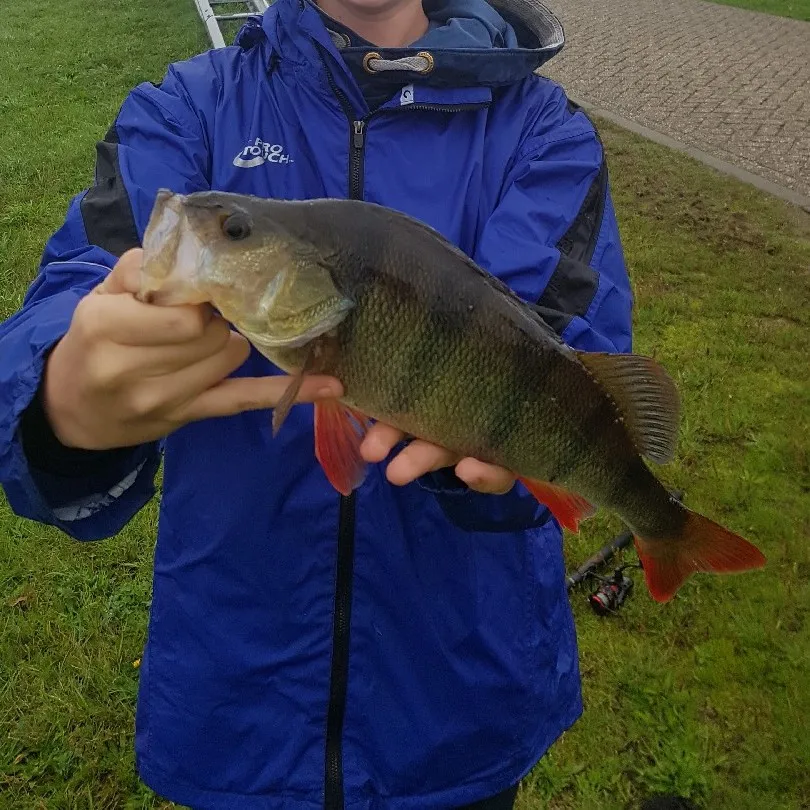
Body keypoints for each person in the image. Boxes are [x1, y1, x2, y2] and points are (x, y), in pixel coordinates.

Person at [0, 0, 633, 805]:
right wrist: (61, 396)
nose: (213, 235)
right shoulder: (189, 109)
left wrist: (491, 458)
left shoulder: (542, 134)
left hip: (457, 712)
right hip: (239, 717)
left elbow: (564, 368)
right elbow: (71, 293)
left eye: (231, 233)